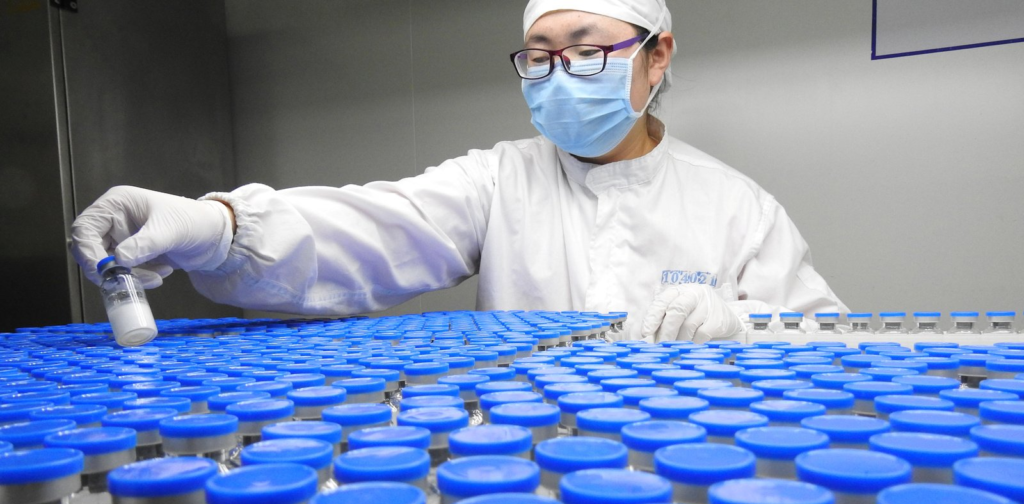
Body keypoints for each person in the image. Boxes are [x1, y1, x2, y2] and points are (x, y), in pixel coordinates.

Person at [70, 0, 846, 344]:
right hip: (521, 479)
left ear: (658, 54)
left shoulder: (737, 205)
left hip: (691, 482)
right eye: (539, 57)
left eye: (585, 50)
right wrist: (222, 226)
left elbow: (832, 340)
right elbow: (372, 228)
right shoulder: (500, 180)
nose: (557, 74)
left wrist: (744, 328)